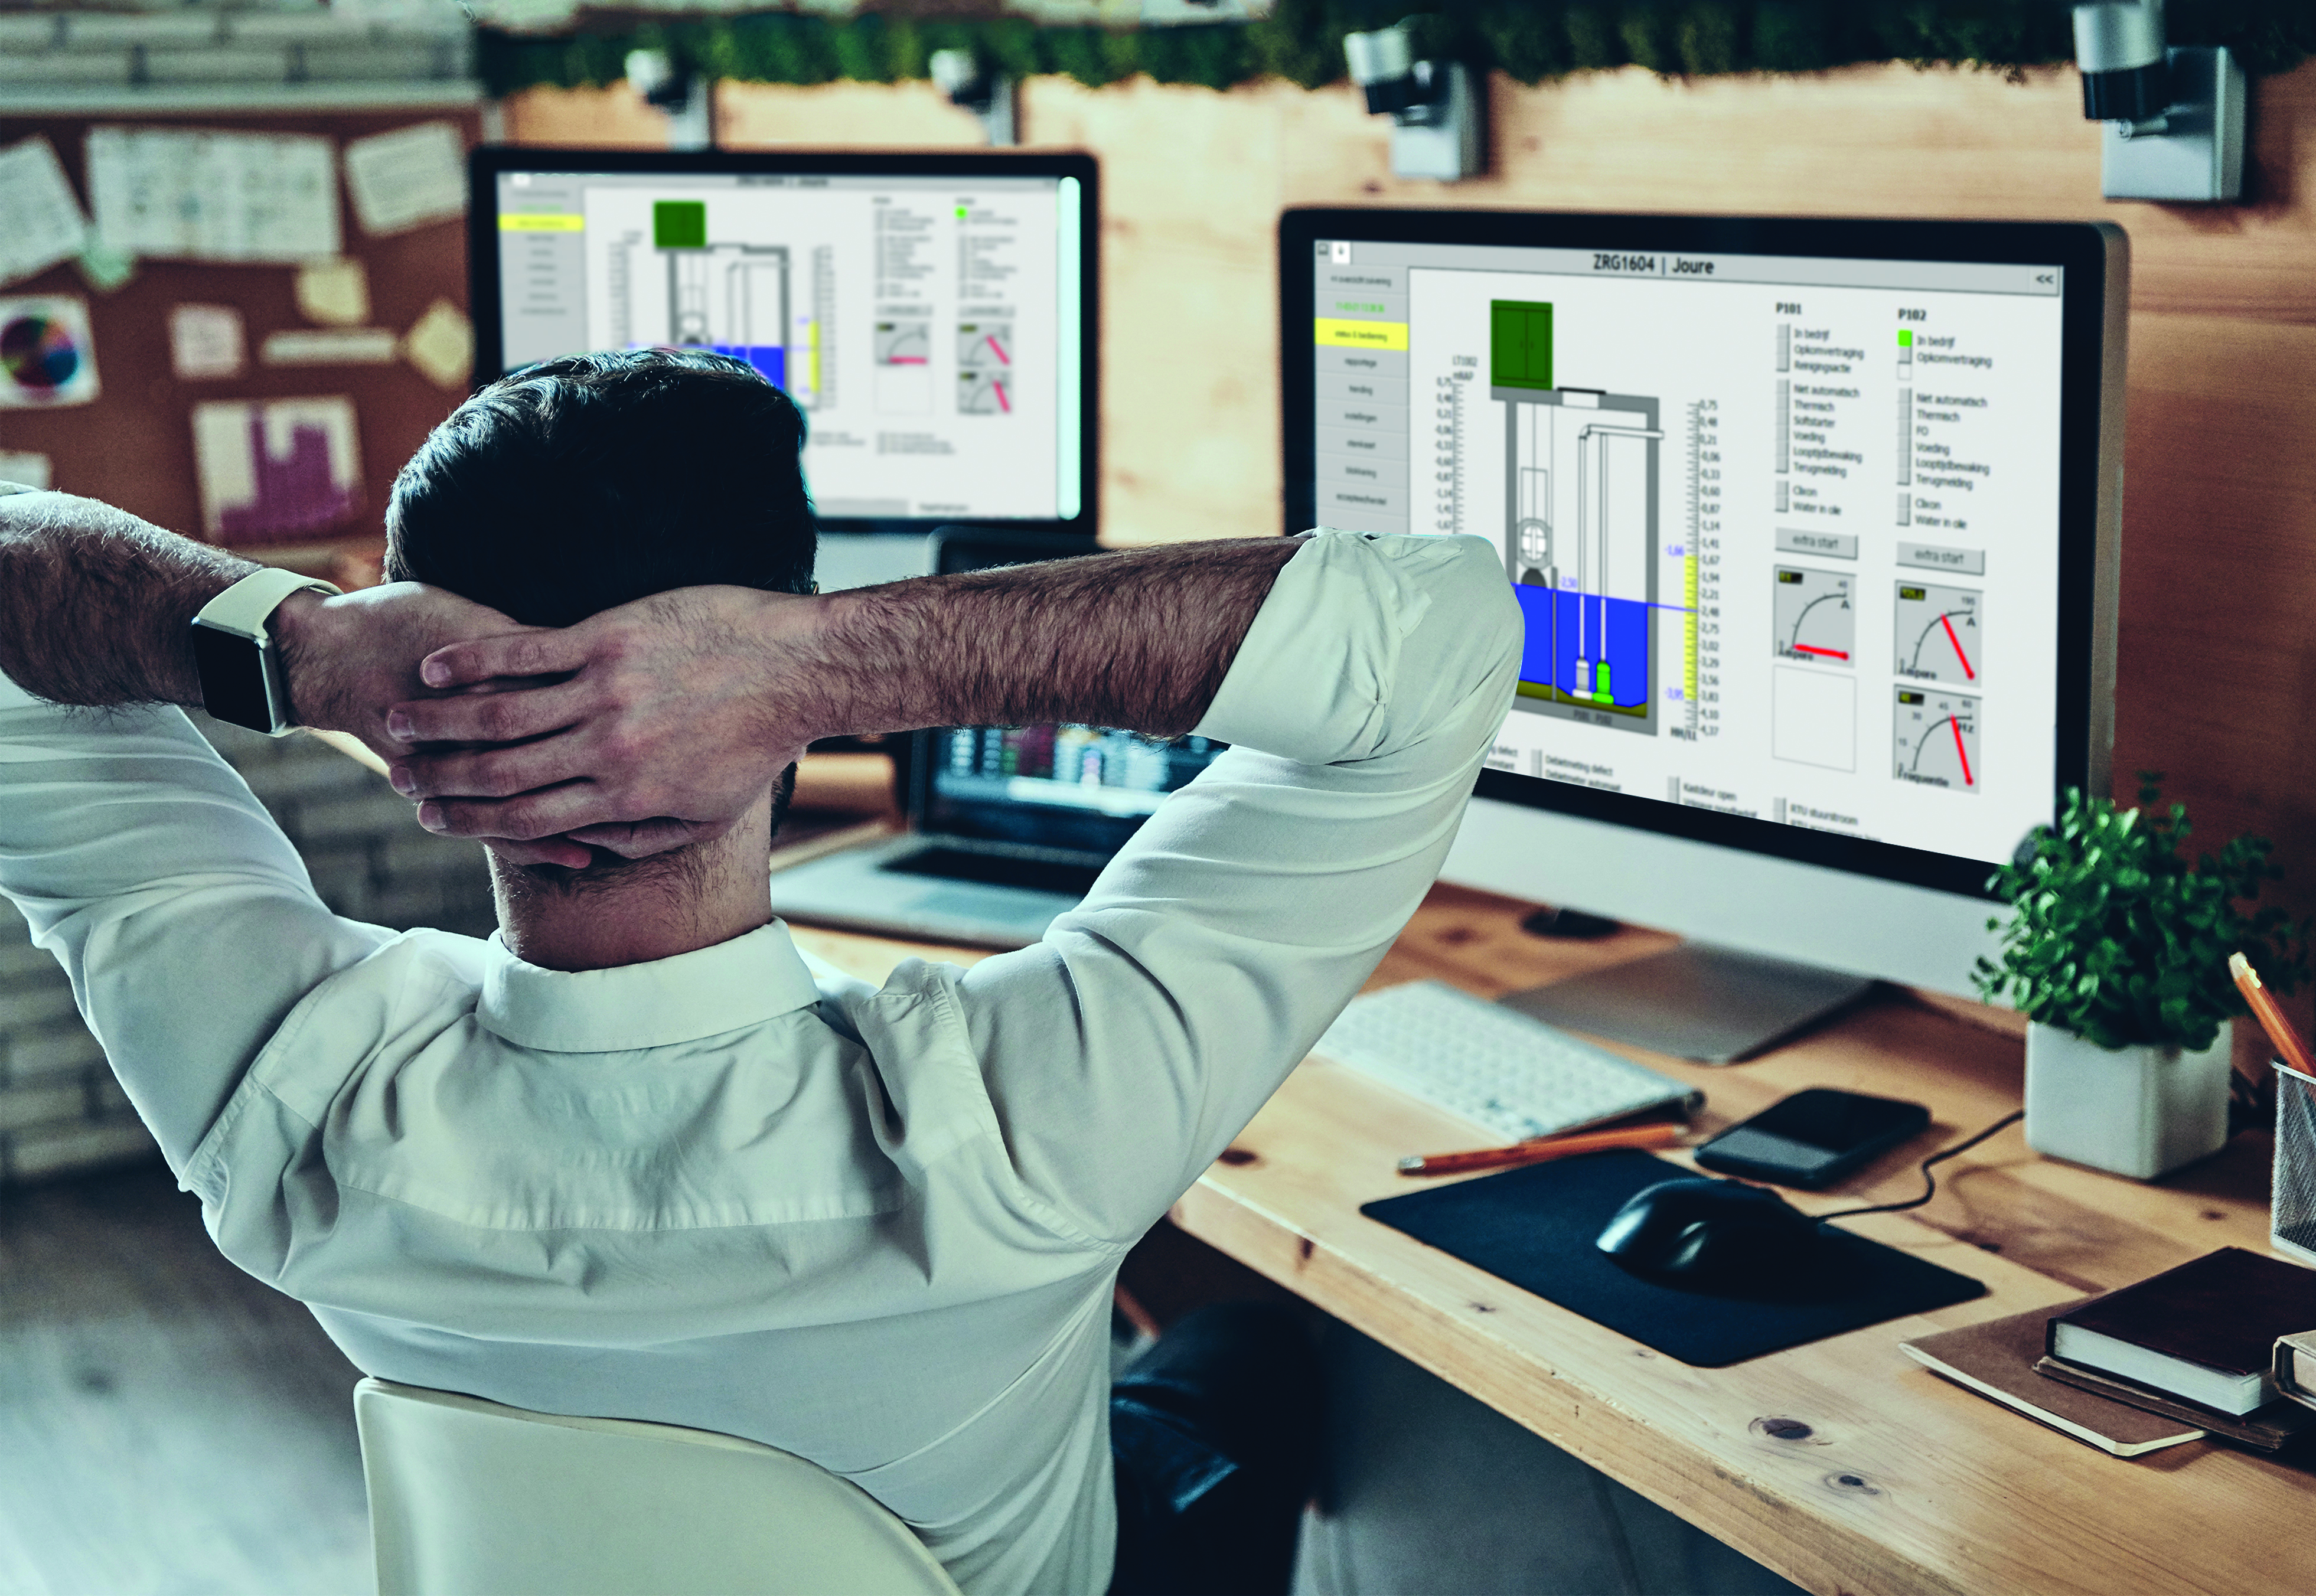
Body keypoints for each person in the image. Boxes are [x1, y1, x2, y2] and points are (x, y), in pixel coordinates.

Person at [0, 349, 1519, 1596]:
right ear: (764, 660)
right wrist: (825, 664)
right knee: (1245, 1348)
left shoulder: (288, 1097)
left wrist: (311, 647)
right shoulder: (1020, 1124)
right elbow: (1442, 633)